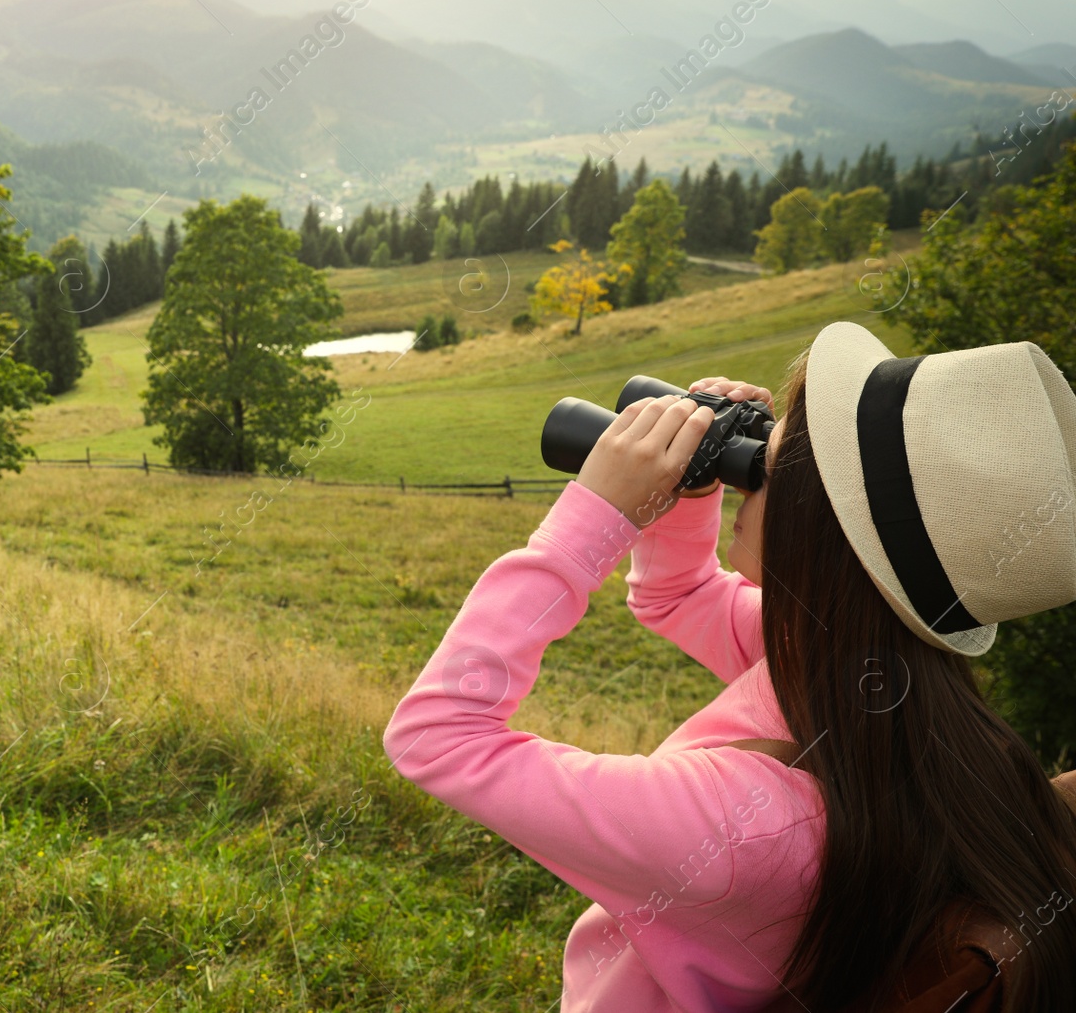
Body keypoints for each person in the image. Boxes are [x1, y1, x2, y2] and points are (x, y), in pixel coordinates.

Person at [382, 321, 1076, 1011]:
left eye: (776, 463)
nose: (750, 474)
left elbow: (437, 735)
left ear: (821, 529)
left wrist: (589, 521)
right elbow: (675, 595)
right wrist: (689, 493)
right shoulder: (882, 689)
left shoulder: (736, 825)